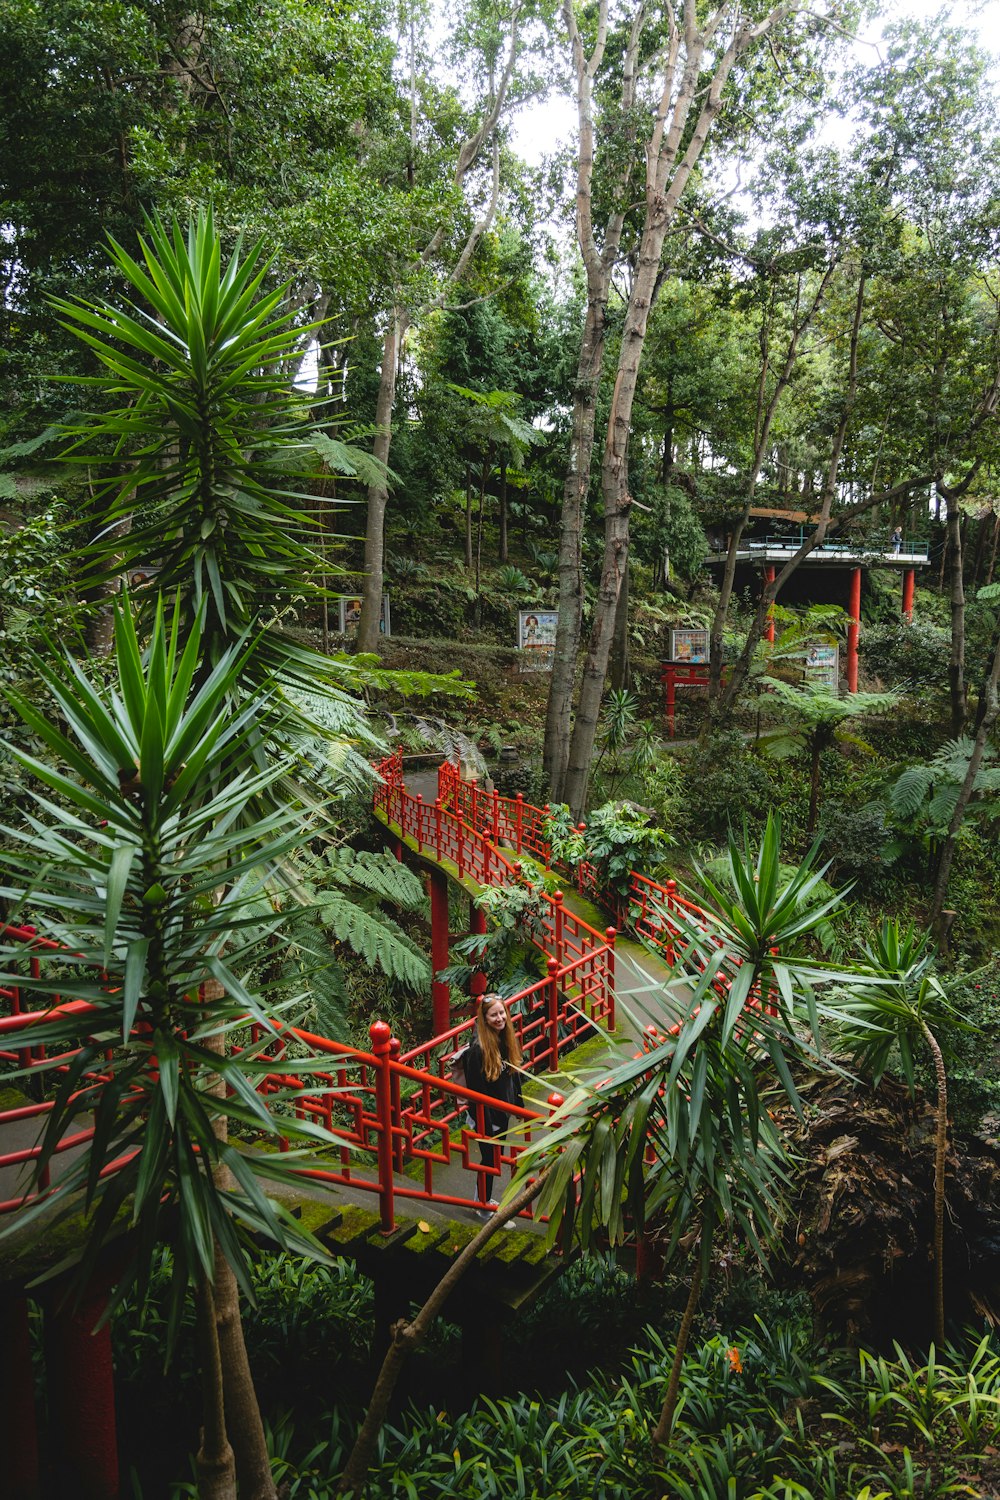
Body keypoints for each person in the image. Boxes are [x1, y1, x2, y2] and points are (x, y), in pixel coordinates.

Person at [464, 993, 524, 1220]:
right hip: (487, 1115)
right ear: (484, 1018)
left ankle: (483, 1199)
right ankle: (482, 1205)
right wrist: (487, 1126)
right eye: (493, 1015)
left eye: (502, 1013)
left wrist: (519, 1104)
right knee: (490, 1160)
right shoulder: (477, 1050)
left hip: (502, 1111)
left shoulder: (504, 1038)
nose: (499, 1018)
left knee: (495, 1158)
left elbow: (513, 1074)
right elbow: (476, 1093)